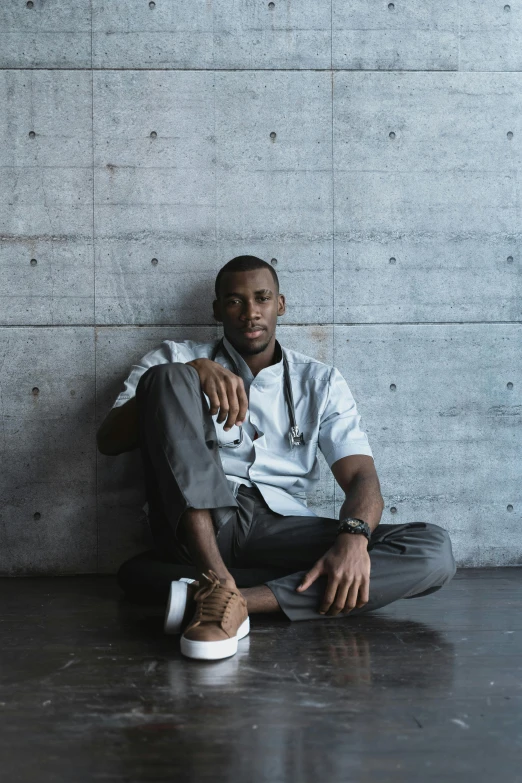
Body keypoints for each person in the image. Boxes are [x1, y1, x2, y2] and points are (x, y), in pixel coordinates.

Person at [97, 255, 457, 662]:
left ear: (280, 304)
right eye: (234, 301)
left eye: (262, 298)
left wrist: (354, 538)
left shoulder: (320, 381)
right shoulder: (174, 357)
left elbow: (361, 477)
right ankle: (220, 579)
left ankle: (233, 600)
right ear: (217, 310)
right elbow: (108, 439)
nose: (250, 312)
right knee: (164, 378)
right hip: (196, 527)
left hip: (279, 528)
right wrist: (190, 374)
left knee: (432, 549)